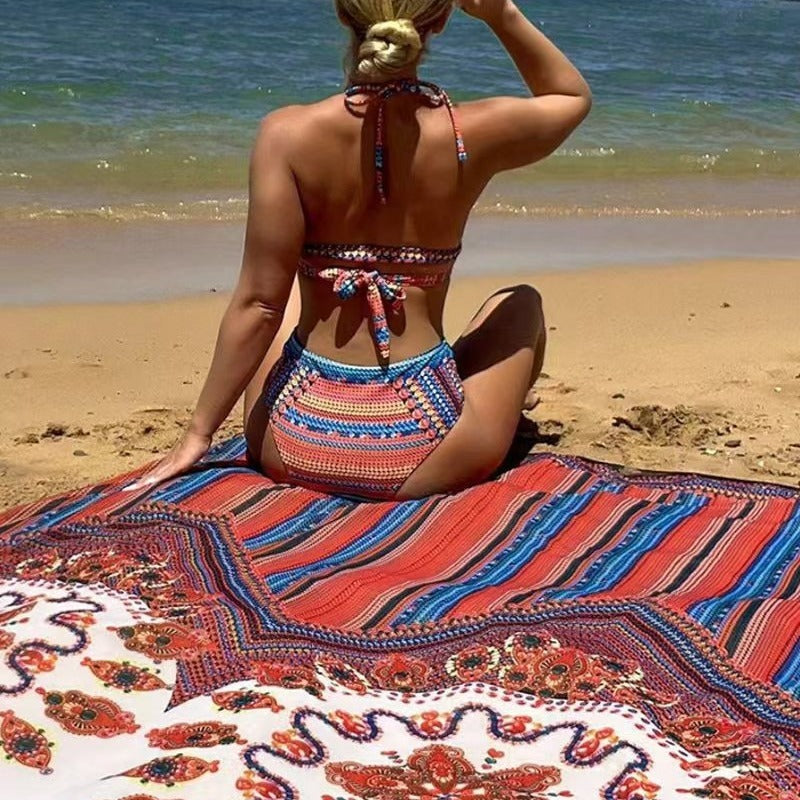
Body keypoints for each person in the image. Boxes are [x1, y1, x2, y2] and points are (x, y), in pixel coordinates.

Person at [125, 0, 592, 500]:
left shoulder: (285, 134)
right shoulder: (468, 133)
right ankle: (494, 404)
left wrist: (198, 435)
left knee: (284, 297)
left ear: (343, 15)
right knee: (520, 303)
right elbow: (570, 97)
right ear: (440, 20)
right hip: (424, 447)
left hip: (291, 441)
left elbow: (258, 306)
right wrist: (501, 14)